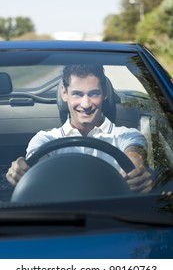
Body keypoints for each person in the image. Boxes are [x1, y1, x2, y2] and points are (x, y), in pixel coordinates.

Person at [6, 64, 153, 193]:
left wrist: (136, 172)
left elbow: (135, 155)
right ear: (64, 93)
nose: (86, 104)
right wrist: (22, 171)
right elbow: (38, 165)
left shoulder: (127, 135)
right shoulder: (45, 138)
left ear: (105, 93)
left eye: (93, 93)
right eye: (77, 94)